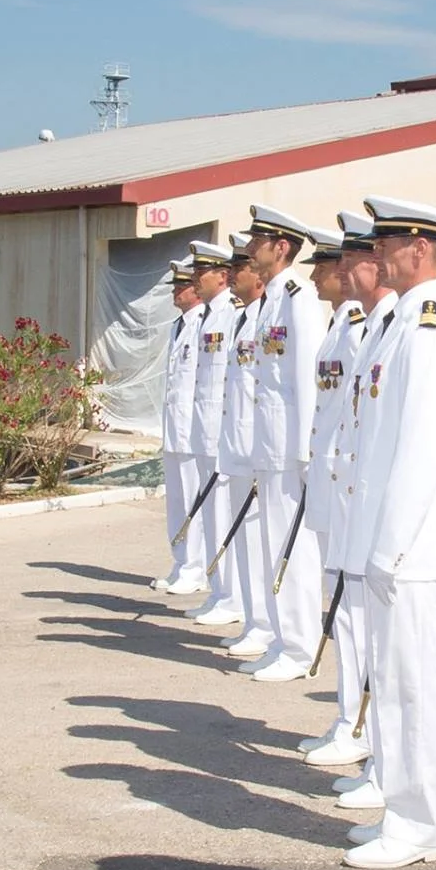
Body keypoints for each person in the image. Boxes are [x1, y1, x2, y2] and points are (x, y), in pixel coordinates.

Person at [334, 196, 436, 869]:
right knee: (391, 681)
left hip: (413, 546)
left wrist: (392, 543)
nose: (376, 256)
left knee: (414, 688)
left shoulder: (431, 326)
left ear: (421, 250)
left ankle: (420, 827)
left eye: (388, 246)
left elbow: (422, 447)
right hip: (389, 539)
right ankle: (401, 808)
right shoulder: (398, 325)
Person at [306, 214, 395, 782]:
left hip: (362, 499)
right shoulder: (353, 324)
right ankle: (350, 722)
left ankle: (360, 728)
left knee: (362, 619)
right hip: (341, 489)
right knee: (346, 615)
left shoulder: (377, 327)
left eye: (352, 258)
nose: (340, 270)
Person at [242, 207, 330, 682]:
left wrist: (304, 450)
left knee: (291, 548)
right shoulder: (270, 300)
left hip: (288, 450)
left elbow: (306, 377)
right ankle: (281, 638)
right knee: (273, 543)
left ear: (281, 247)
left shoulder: (298, 298)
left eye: (259, 239)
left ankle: (299, 647)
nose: (251, 247)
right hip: (268, 446)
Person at [212, 242, 273, 659]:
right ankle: (252, 618)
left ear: (261, 274)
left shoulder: (270, 316)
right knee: (244, 539)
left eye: (242, 267)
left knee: (257, 539)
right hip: (237, 442)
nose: (235, 275)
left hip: (258, 446)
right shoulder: (241, 318)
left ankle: (265, 625)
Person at [182, 244, 242, 628]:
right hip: (204, 430)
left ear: (221, 275)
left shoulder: (231, 315)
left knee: (224, 516)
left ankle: (232, 595)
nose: (194, 280)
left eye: (201, 272)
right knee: (210, 514)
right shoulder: (206, 317)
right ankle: (219, 590)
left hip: (222, 433)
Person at [152, 262, 208, 595]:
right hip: (175, 427)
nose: (177, 290)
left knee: (193, 501)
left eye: (182, 285)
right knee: (176, 500)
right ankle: (180, 561)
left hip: (192, 429)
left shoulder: (204, 325)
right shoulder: (178, 325)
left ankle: (195, 567)